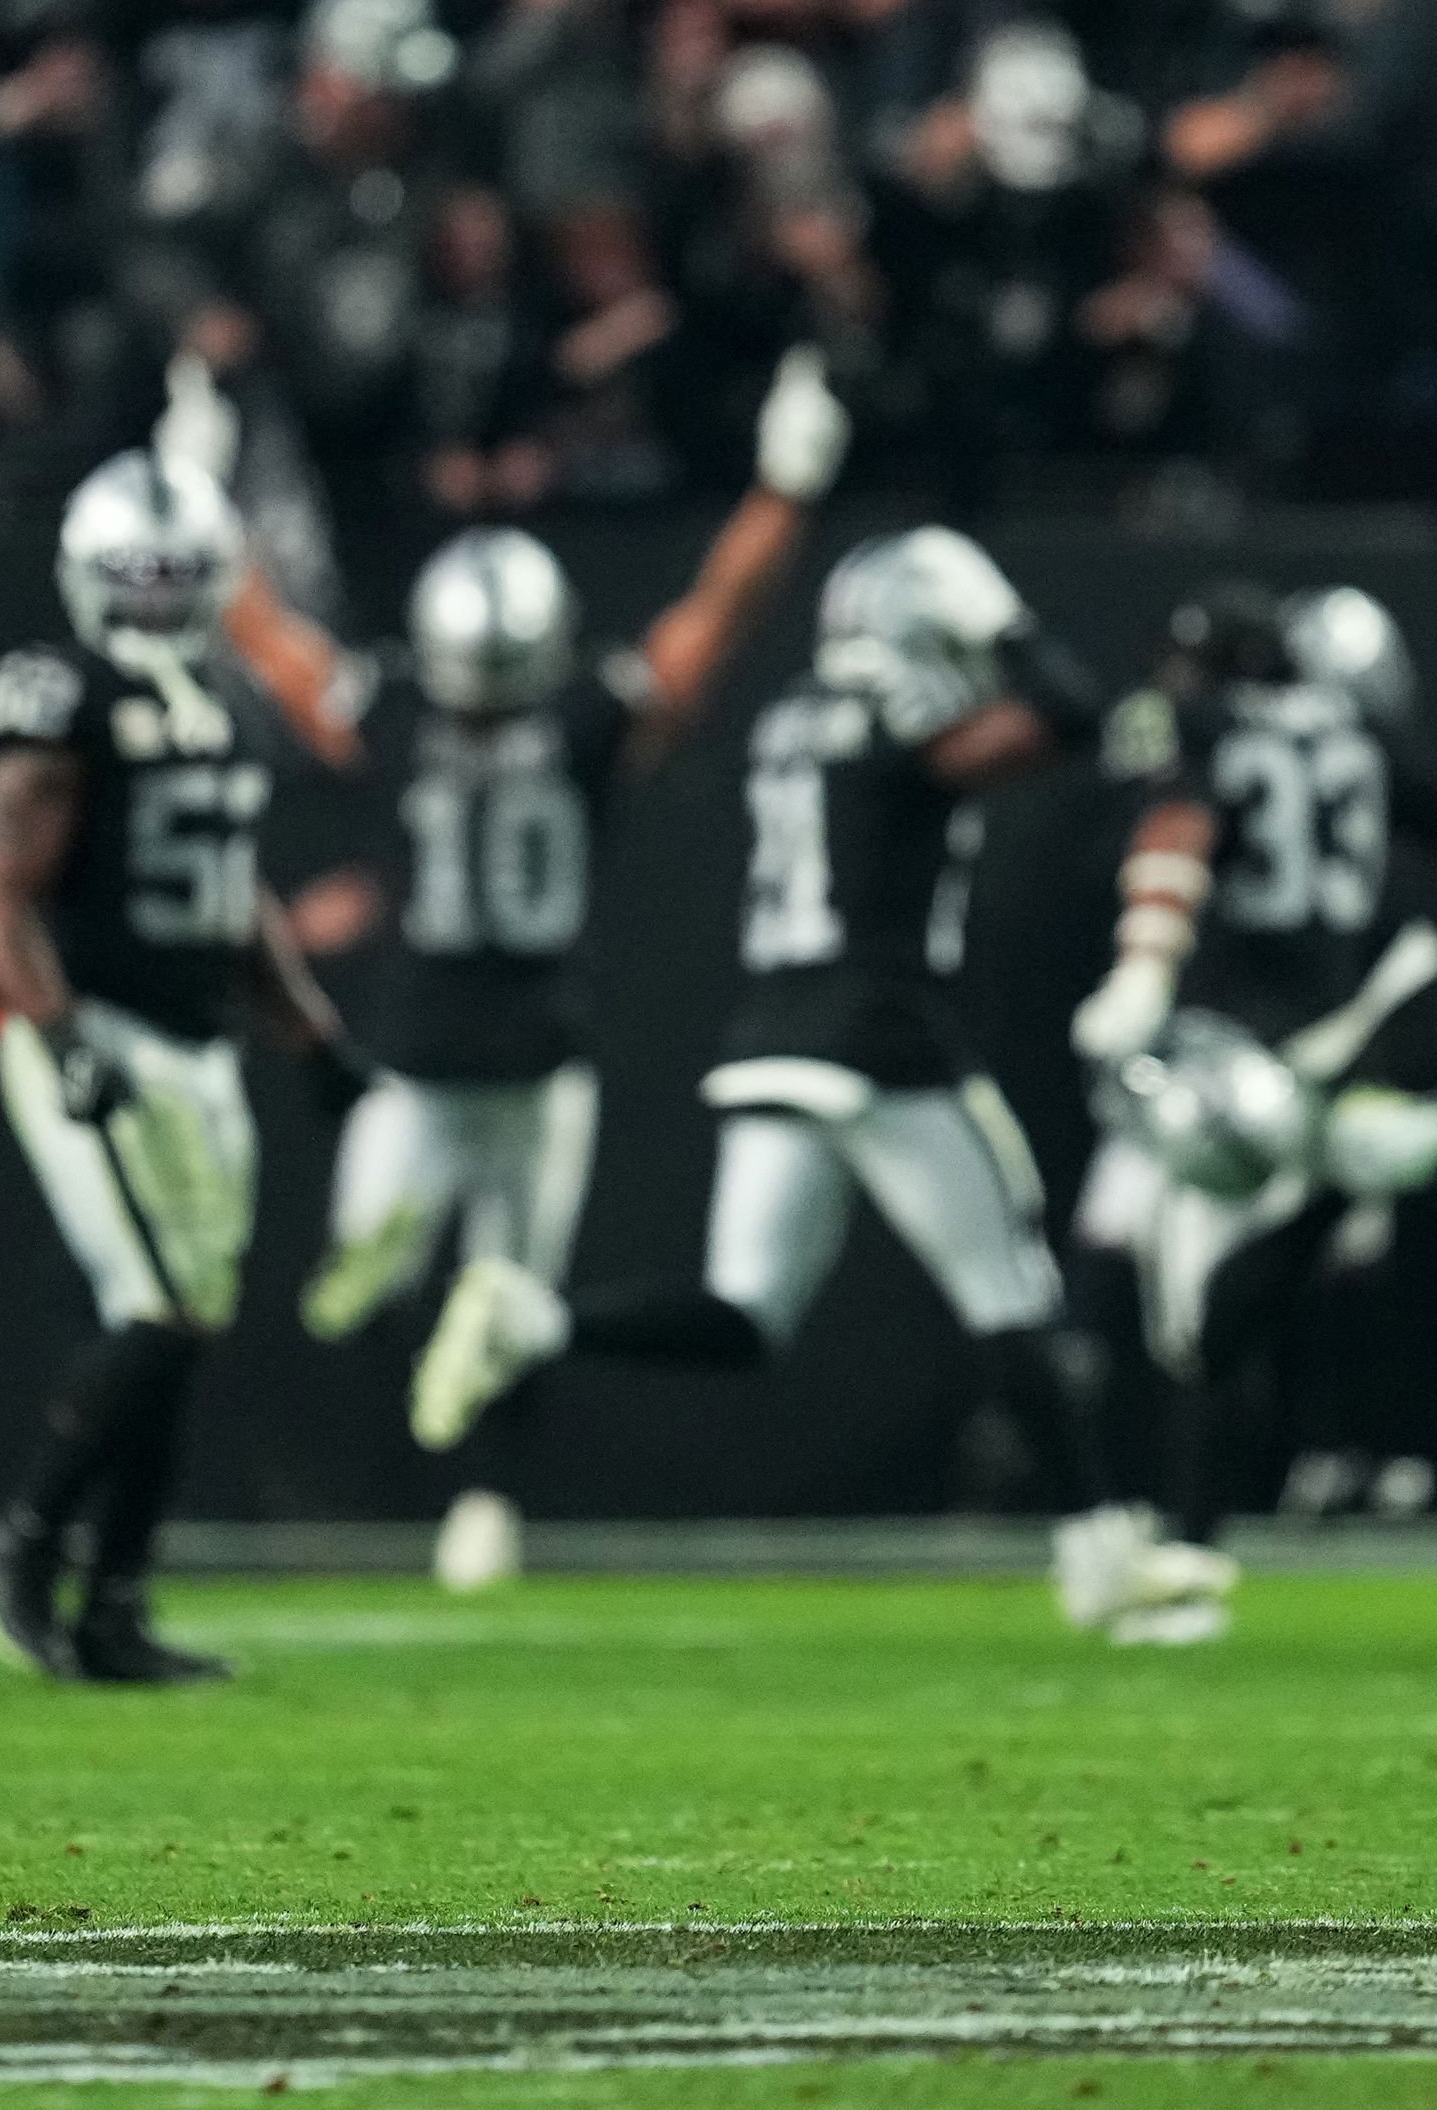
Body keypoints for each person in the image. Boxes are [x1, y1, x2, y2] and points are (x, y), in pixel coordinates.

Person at [408, 525, 1198, 1641]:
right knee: (1013, 1290)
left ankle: (535, 1318)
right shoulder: (898, 719)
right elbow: (1063, 714)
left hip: (771, 1033)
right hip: (882, 1032)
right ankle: (1100, 1554)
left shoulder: (792, 714)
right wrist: (1003, 623)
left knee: (745, 1312)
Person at [214, 347, 849, 1591]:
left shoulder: (390, 714)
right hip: (538, 1055)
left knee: (401, 1276)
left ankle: (412, 1314)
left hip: (419, 1050)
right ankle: (483, 1494)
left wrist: (205, 503)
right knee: (511, 1294)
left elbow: (276, 647)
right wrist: (786, 484)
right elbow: (711, 621)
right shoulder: (585, 722)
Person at [0, 448, 360, 1685]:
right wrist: (66, 1039)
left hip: (197, 1043)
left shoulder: (229, 699)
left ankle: (115, 1600)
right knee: (161, 1306)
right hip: (97, 1028)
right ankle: (21, 1545)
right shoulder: (60, 693)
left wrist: (316, 1035)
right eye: (139, 577)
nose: (151, 600)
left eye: (170, 578)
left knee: (189, 1320)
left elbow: (235, 900)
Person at [1061, 579, 1437, 1623]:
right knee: (1176, 1294)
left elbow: (1175, 821)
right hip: (1316, 1043)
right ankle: (1145, 1526)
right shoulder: (1360, 730)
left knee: (1187, 1322)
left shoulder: (1204, 724)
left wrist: (1141, 962)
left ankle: (1174, 1549)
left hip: (1215, 1049)